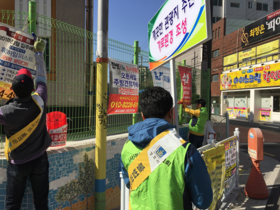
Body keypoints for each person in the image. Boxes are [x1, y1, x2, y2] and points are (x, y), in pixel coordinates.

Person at [120, 87, 212, 210]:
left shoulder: (127, 147)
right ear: (171, 112)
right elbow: (203, 201)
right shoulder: (186, 152)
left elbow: (128, 183)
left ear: (142, 115)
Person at [2, 38, 51, 210]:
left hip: (17, 164)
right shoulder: (40, 100)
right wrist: (38, 53)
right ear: (32, 89)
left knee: (12, 204)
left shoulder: (4, 112)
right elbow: (42, 78)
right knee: (41, 203)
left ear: (12, 90)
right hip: (40, 160)